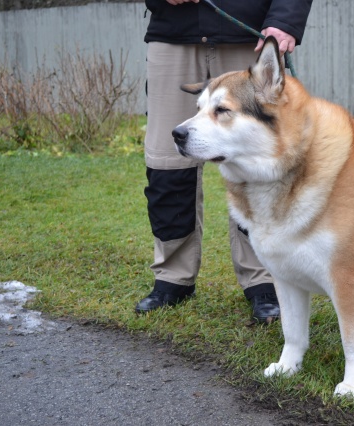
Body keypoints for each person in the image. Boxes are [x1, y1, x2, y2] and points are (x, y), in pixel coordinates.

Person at [135, 0, 313, 323]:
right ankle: (172, 276)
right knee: (166, 164)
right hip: (173, 32)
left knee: (257, 160)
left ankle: (263, 278)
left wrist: (285, 20)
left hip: (249, 33)